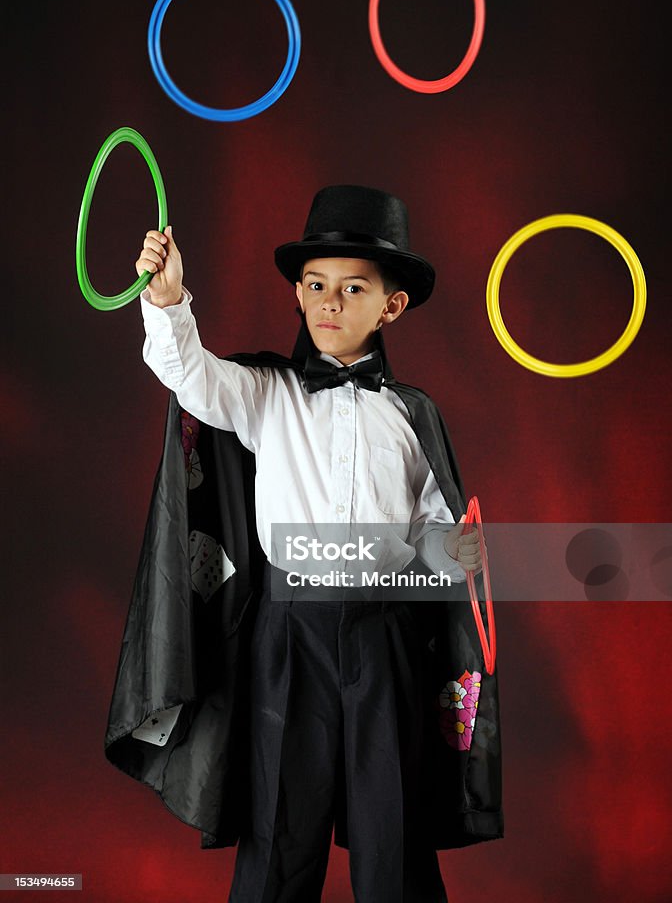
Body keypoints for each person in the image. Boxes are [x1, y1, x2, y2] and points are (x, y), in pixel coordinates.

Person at [105, 185, 503, 903]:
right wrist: (168, 300)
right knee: (279, 831)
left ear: (391, 306)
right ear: (297, 292)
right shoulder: (264, 392)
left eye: (352, 289)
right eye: (315, 285)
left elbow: (434, 533)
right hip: (287, 636)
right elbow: (187, 375)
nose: (329, 302)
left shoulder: (414, 416)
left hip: (384, 640)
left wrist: (454, 552)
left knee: (395, 831)